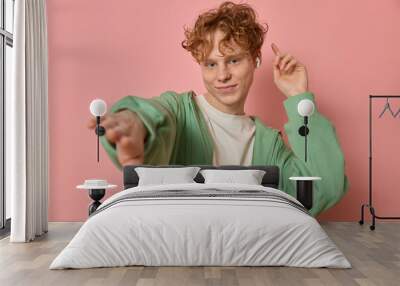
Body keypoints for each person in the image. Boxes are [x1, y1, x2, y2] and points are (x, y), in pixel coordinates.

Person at [87, 1, 349, 216]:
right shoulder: (179, 111)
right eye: (211, 64)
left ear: (256, 58)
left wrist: (298, 99)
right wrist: (133, 124)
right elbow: (153, 115)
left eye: (233, 60)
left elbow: (325, 188)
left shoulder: (269, 144)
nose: (222, 75)